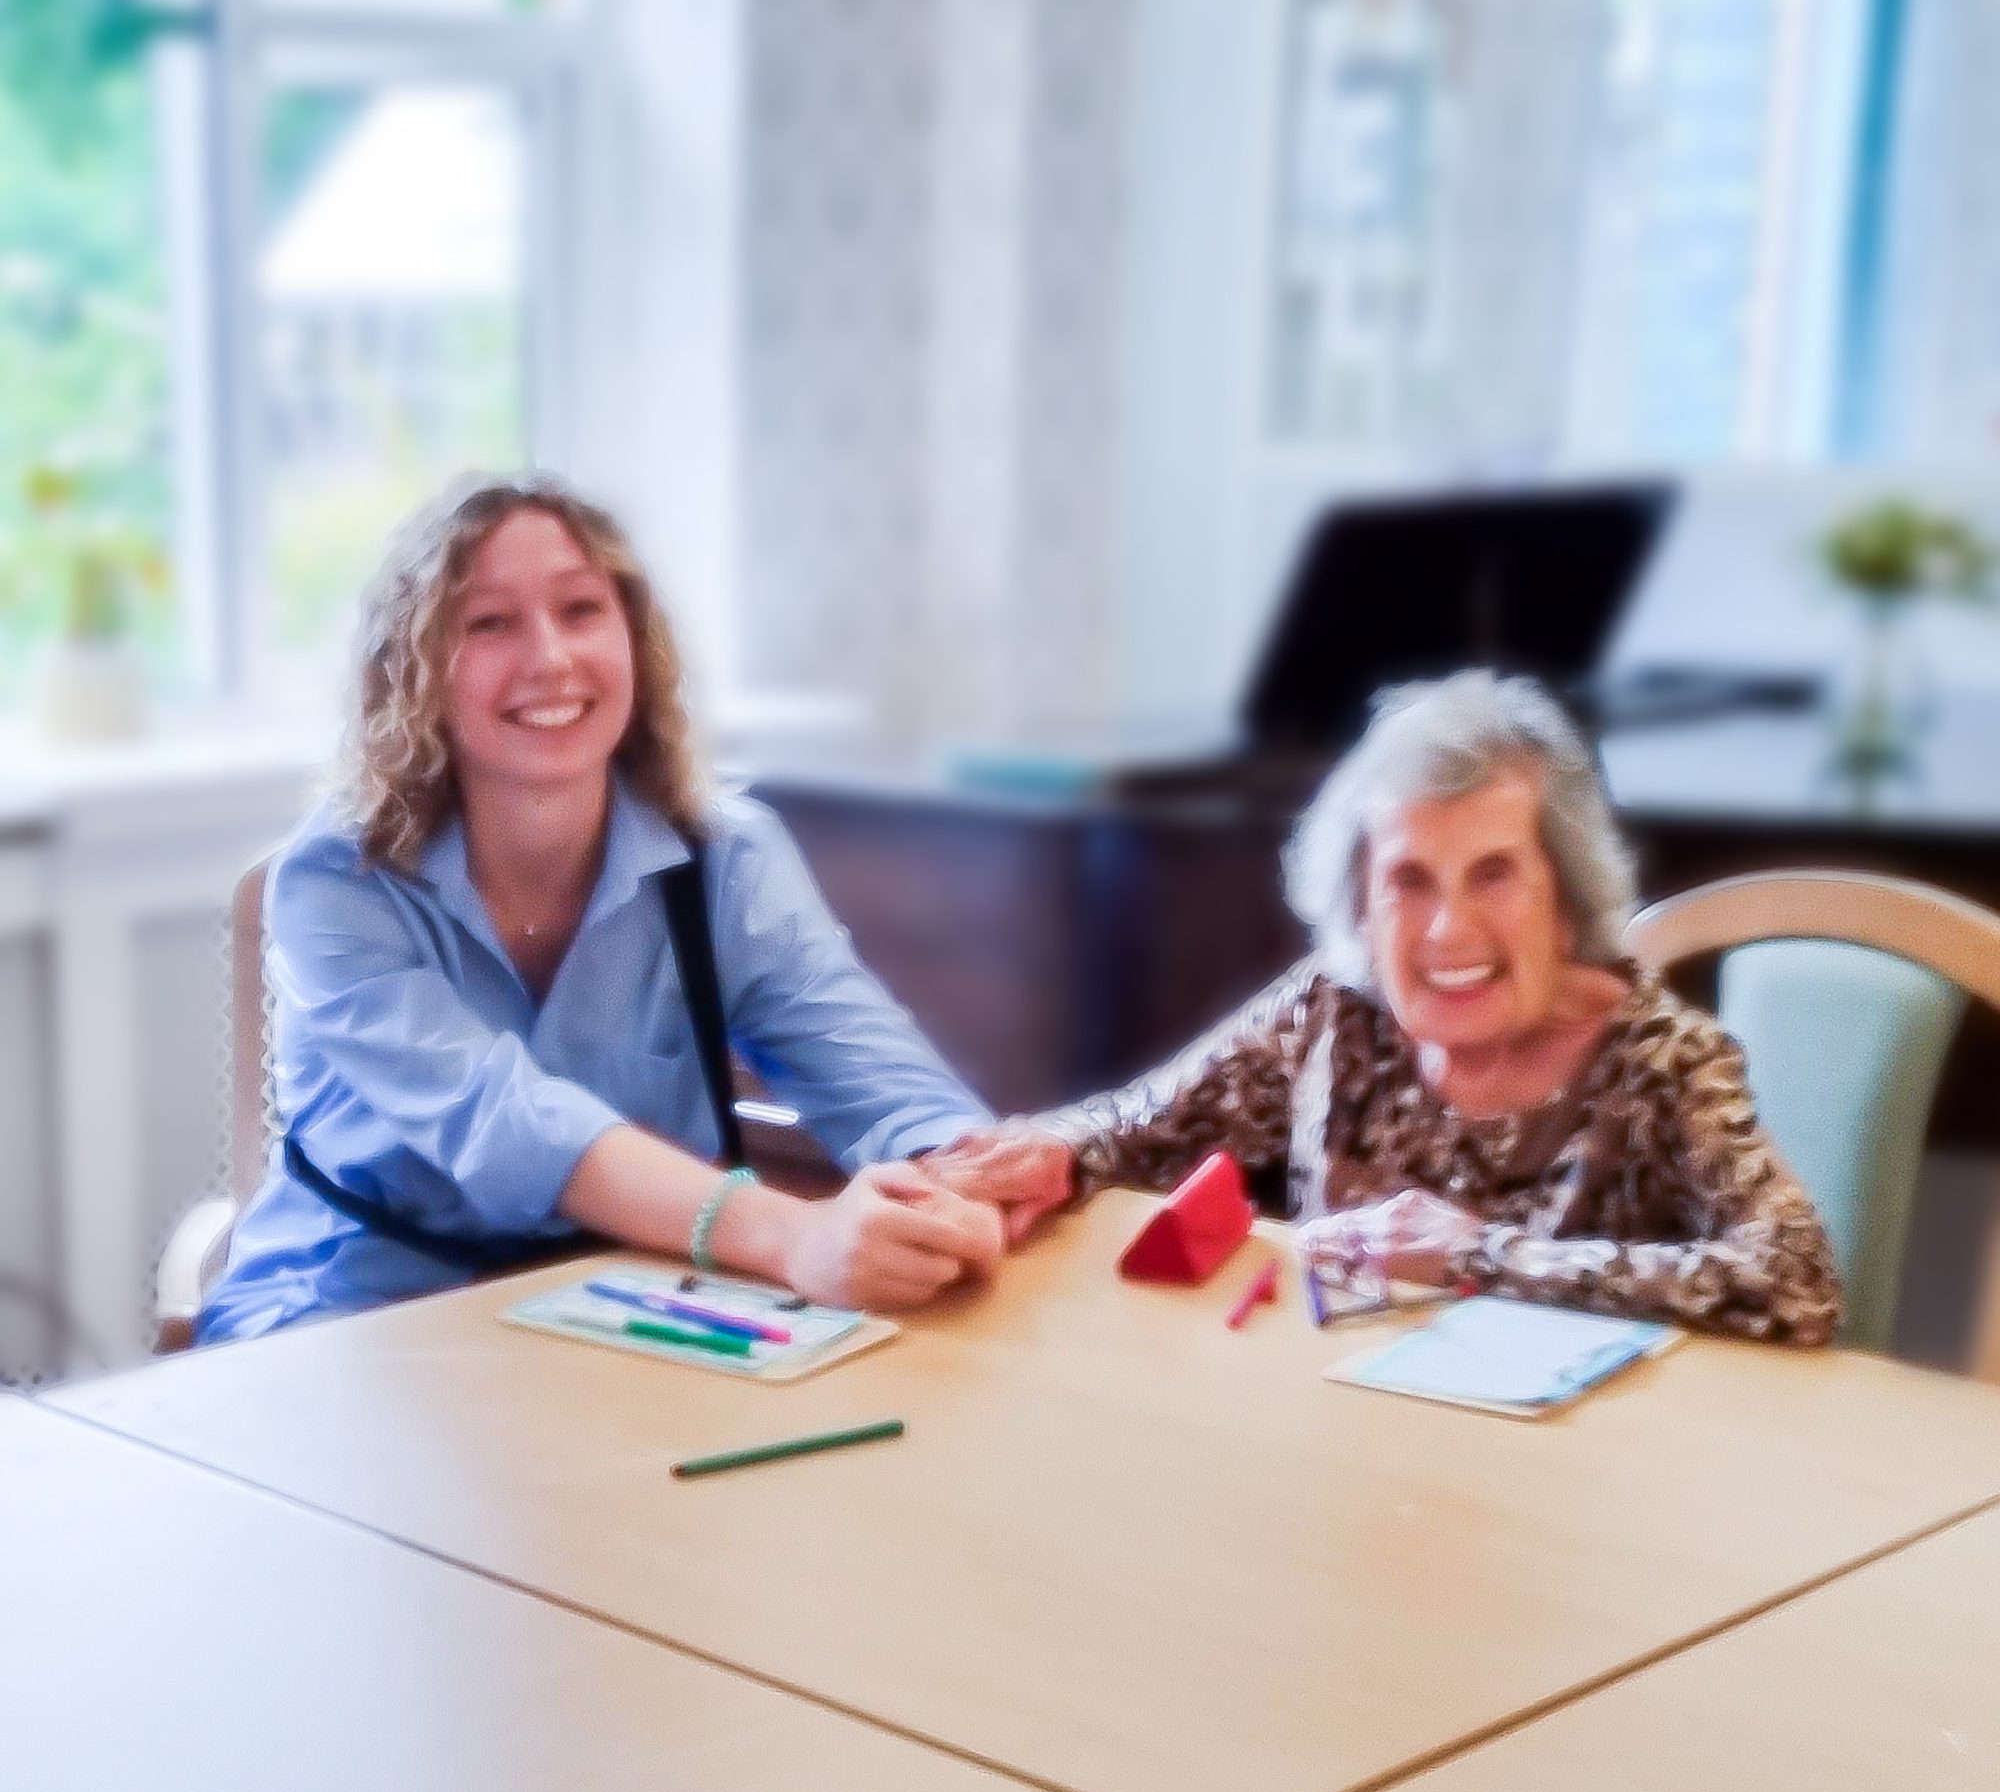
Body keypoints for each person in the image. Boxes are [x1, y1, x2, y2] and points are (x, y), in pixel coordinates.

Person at [197, 474, 1002, 1344]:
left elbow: (877, 1076)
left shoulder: (728, 855)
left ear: (634, 639)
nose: (550, 658)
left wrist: (960, 1181)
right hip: (358, 1311)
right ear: (414, 673)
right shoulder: (336, 878)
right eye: (488, 622)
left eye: (581, 609)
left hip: (636, 1302)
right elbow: (505, 1125)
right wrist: (796, 1235)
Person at [923, 671, 1843, 1345]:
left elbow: (1797, 1279)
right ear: (1360, 902)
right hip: (1350, 1453)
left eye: (1494, 876)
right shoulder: (1334, 1013)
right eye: (1408, 880)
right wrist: (1057, 1153)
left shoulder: (1660, 1062)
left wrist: (1478, 1256)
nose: (1449, 930)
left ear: (1564, 897)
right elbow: (1136, 1127)